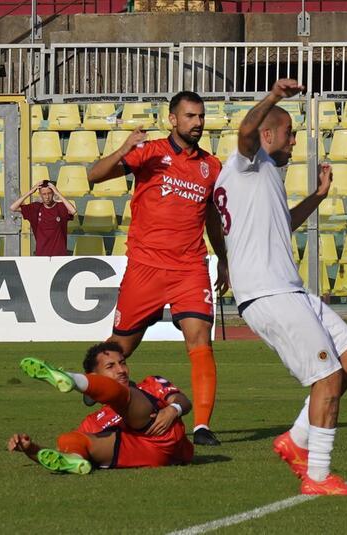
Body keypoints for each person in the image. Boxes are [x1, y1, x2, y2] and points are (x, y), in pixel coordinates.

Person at [212, 78, 347, 495]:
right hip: (269, 292)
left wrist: (317, 196)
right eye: (289, 132)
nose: (294, 140)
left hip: (287, 289)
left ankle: (296, 438)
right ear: (266, 134)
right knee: (329, 377)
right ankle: (317, 476)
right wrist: (276, 96)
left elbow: (284, 225)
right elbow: (244, 132)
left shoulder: (262, 175)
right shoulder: (247, 161)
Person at [87, 91, 227, 446]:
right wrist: (124, 147)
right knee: (120, 347)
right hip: (145, 267)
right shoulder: (149, 153)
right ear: (173, 120)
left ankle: (202, 426)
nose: (197, 123)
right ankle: (91, 383)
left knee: (200, 341)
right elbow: (94, 175)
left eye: (201, 116)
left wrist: (223, 259)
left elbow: (212, 220)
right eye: (190, 116)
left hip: (190, 268)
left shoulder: (212, 167)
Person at [9, 342, 194, 474]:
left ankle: (70, 378)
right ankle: (75, 461)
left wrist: (173, 409)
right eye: (110, 366)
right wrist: (31, 449)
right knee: (71, 438)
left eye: (122, 363)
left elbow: (184, 400)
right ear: (94, 376)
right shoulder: (95, 420)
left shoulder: (149, 384)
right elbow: (57, 454)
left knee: (124, 395)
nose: (121, 370)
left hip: (163, 435)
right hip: (143, 453)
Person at [9, 179, 77, 256]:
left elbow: (73, 211)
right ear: (40, 194)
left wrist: (58, 193)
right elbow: (13, 207)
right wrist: (30, 192)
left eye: (49, 193)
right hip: (41, 255)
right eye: (44, 194)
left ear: (53, 193)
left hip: (59, 255)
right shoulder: (35, 208)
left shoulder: (60, 207)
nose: (47, 197)